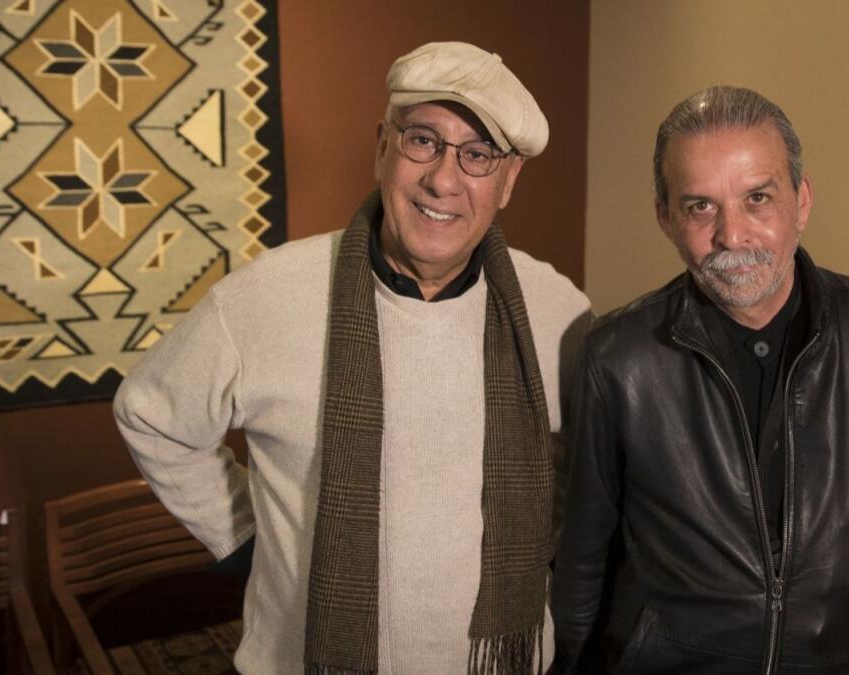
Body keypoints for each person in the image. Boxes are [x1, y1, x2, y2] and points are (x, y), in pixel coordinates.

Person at [114, 41, 591, 674]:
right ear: (382, 147)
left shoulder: (557, 311)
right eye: (423, 140)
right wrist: (245, 538)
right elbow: (151, 414)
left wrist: (539, 543)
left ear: (508, 182)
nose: (444, 180)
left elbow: (595, 469)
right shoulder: (265, 296)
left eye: (478, 155)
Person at [551, 86, 849, 675]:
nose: (732, 236)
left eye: (757, 198)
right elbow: (584, 557)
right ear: (666, 217)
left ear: (802, 200)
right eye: (700, 206)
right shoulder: (618, 357)